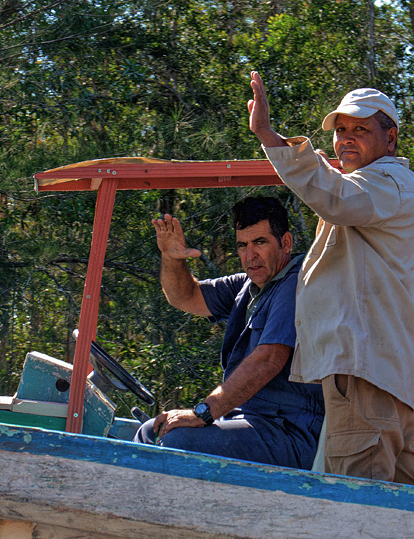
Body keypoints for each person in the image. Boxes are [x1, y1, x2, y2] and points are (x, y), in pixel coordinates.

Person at [248, 72, 414, 485]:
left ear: (391, 138)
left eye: (360, 129)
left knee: (359, 503)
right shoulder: (375, 187)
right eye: (340, 130)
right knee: (402, 502)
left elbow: (334, 198)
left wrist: (269, 136)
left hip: (365, 375)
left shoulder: (387, 183)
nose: (346, 138)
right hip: (383, 378)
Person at [137, 196, 324, 469]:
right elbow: (185, 296)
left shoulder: (297, 283)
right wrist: (171, 257)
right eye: (242, 246)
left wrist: (202, 413)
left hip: (288, 433)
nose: (250, 256)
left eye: (260, 242)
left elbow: (268, 359)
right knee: (149, 431)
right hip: (247, 421)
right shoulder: (248, 286)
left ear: (285, 242)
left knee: (175, 441)